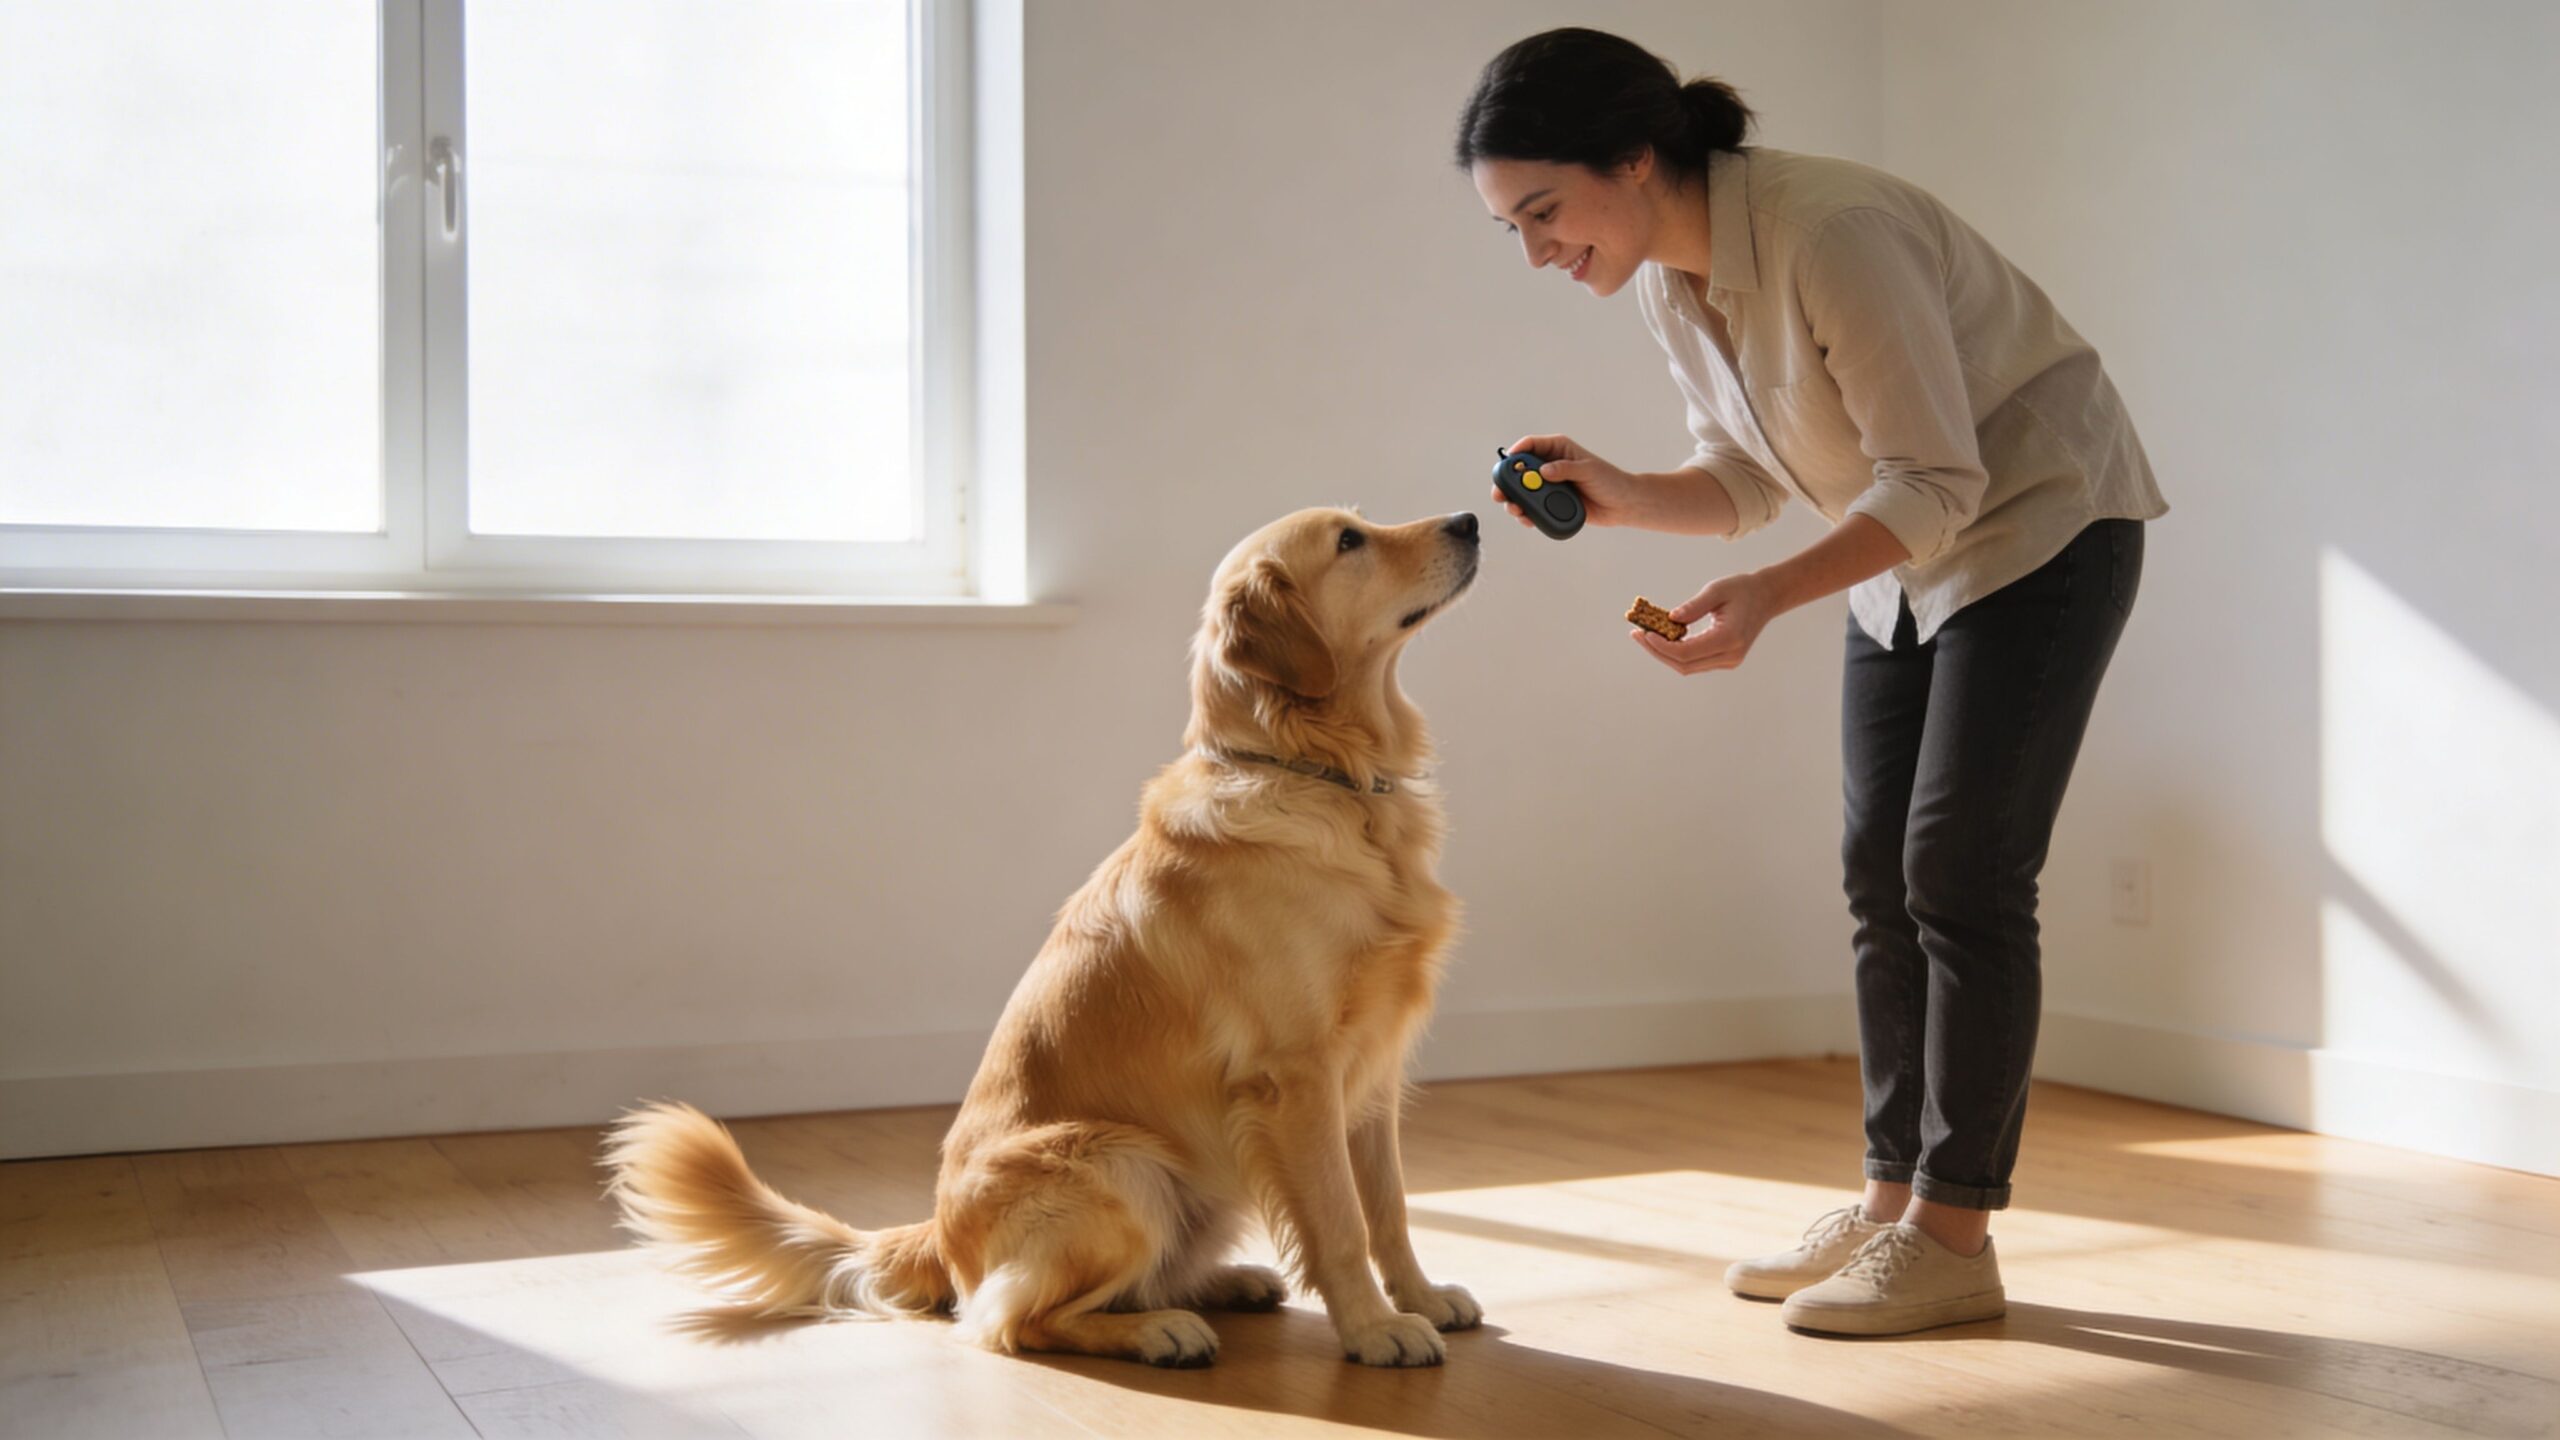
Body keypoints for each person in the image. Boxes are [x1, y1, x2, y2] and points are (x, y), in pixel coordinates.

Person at [1457, 28, 2166, 1337]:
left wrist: (1771, 598)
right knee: (1874, 869)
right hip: (1906, 554)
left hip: (2040, 528)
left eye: (1546, 213)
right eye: (1514, 229)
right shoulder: (1675, 281)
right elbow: (1745, 479)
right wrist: (1615, 494)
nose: (1541, 252)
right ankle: (1892, 1203)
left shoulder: (1831, 231)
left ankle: (1956, 1235)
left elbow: (1942, 479)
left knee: (1958, 866)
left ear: (1637, 155)